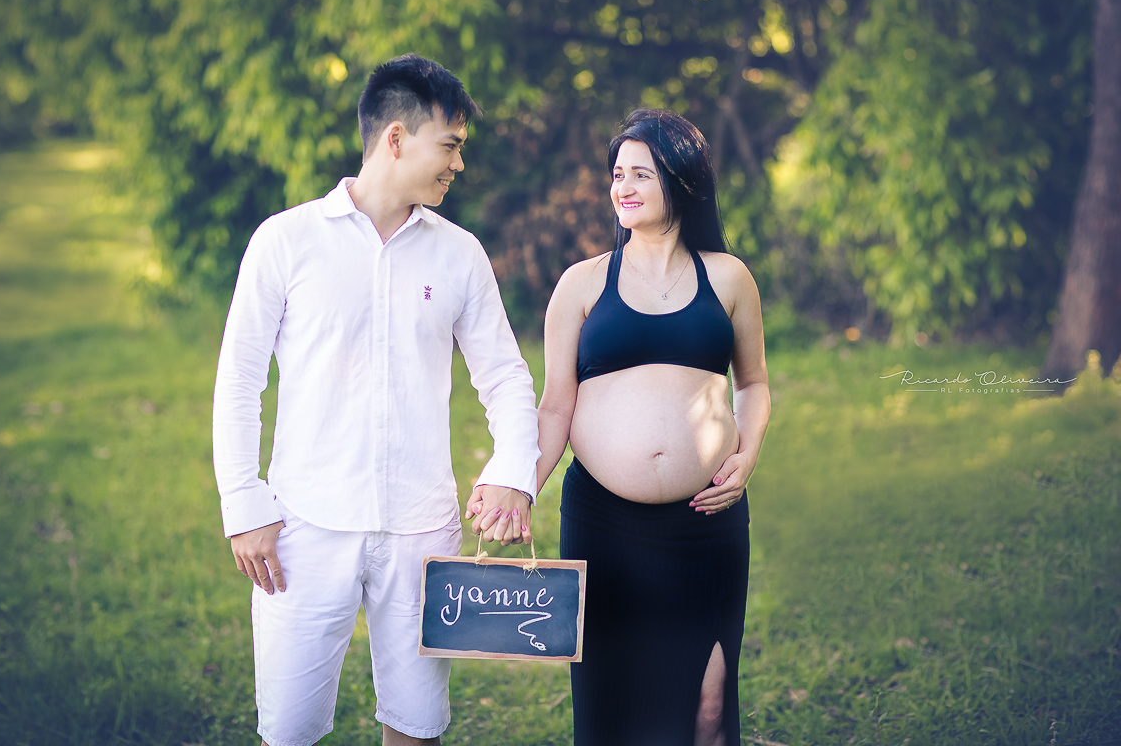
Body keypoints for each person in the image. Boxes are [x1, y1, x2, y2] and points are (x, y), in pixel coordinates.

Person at [212, 53, 539, 746]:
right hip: (301, 529)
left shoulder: (460, 254)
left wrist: (513, 468)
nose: (458, 164)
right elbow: (239, 378)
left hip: (423, 529)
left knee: (417, 726)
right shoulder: (286, 241)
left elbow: (506, 376)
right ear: (396, 138)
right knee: (288, 731)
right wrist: (244, 505)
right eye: (449, 146)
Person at [534, 109, 770, 745]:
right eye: (618, 174)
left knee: (708, 705)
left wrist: (746, 455)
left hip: (706, 523)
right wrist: (520, 487)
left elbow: (752, 384)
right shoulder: (582, 283)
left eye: (642, 173)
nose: (623, 186)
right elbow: (555, 406)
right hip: (603, 525)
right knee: (613, 706)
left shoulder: (728, 277)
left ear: (682, 178)